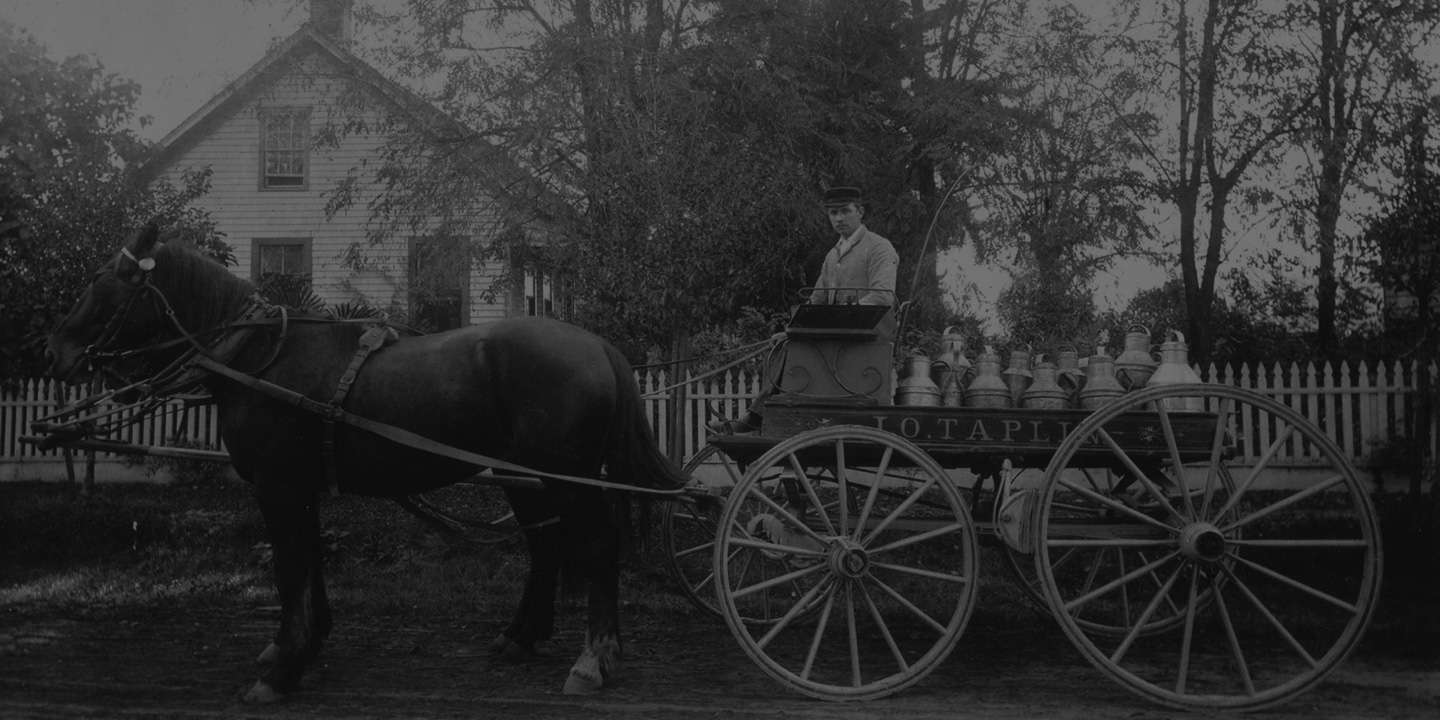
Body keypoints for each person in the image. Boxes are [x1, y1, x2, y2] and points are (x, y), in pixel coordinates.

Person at [708, 186, 899, 434]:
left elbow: (882, 297)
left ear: (860, 212)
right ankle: (769, 415)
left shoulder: (879, 248)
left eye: (845, 211)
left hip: (869, 338)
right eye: (833, 213)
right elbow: (817, 300)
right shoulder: (833, 255)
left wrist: (841, 312)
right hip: (842, 339)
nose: (839, 218)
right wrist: (791, 329)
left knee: (793, 348)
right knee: (781, 344)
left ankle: (756, 417)